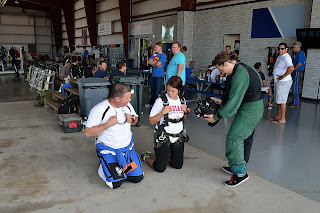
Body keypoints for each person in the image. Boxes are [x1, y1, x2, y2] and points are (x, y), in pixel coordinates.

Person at [204, 51, 263, 187]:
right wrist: (223, 100)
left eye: (221, 69)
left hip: (250, 109)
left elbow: (234, 102)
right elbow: (239, 92)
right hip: (253, 105)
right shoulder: (242, 66)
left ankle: (240, 173)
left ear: (226, 63)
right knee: (245, 137)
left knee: (234, 138)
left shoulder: (240, 75)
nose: (222, 73)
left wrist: (216, 116)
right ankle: (238, 165)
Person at [85, 83, 143, 189]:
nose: (129, 100)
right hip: (109, 151)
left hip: (127, 150)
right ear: (117, 99)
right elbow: (88, 132)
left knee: (137, 178)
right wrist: (107, 125)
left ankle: (120, 168)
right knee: (115, 184)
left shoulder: (127, 105)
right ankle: (103, 165)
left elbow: (136, 120)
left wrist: (133, 119)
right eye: (127, 98)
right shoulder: (99, 109)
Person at [141, 76, 189, 172]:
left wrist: (186, 112)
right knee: (160, 168)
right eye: (168, 90)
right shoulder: (161, 101)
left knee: (177, 165)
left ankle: (165, 156)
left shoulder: (182, 101)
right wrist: (162, 113)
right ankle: (146, 157)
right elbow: (151, 121)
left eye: (173, 91)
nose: (169, 93)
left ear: (179, 91)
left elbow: (184, 118)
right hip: (163, 137)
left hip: (178, 137)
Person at [268, 43, 294, 124]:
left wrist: (282, 76)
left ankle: (283, 119)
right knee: (278, 99)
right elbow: (278, 68)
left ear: (286, 49)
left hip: (284, 82)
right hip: (278, 81)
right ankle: (278, 116)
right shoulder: (280, 57)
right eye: (279, 48)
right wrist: (274, 78)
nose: (280, 50)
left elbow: (291, 68)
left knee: (282, 100)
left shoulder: (286, 57)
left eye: (282, 49)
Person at [146, 42, 167, 107]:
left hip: (159, 75)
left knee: (158, 91)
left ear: (160, 47)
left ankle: (157, 105)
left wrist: (154, 63)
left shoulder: (163, 56)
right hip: (153, 75)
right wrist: (156, 63)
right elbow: (149, 62)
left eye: (156, 47)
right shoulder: (154, 54)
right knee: (152, 90)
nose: (154, 48)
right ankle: (151, 103)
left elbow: (158, 64)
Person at [290, 41, 306, 107]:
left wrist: (293, 69)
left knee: (295, 87)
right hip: (296, 71)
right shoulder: (298, 54)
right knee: (294, 86)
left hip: (297, 72)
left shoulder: (300, 53)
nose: (293, 48)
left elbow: (299, 63)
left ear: (298, 47)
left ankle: (296, 103)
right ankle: (294, 100)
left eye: (294, 47)